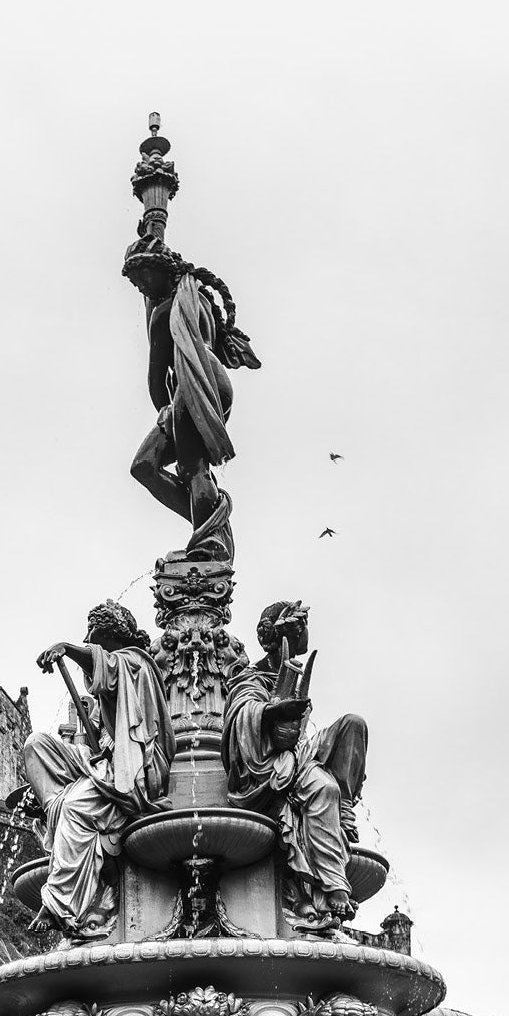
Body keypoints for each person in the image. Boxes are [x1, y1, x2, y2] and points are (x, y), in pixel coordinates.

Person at [21, 601, 174, 940]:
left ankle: (60, 905)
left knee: (76, 807)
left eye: (94, 637)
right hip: (105, 763)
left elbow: (106, 664)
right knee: (37, 745)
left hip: (136, 770)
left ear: (109, 638)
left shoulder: (137, 663)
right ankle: (57, 806)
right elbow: (95, 740)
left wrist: (66, 647)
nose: (89, 641)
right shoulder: (107, 686)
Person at [222, 602, 368, 932]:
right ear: (284, 633)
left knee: (352, 725)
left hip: (299, 750)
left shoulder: (293, 669)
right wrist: (272, 713)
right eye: (301, 628)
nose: (306, 633)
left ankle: (343, 806)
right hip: (271, 761)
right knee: (321, 787)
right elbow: (240, 720)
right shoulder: (252, 676)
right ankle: (333, 886)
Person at [125, 248, 260, 558]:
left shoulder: (167, 312)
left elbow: (156, 377)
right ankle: (209, 527)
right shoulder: (195, 300)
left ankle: (210, 537)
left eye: (143, 278)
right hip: (214, 381)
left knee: (190, 466)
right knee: (145, 466)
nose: (141, 287)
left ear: (163, 271)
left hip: (192, 383)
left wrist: (166, 411)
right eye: (136, 284)